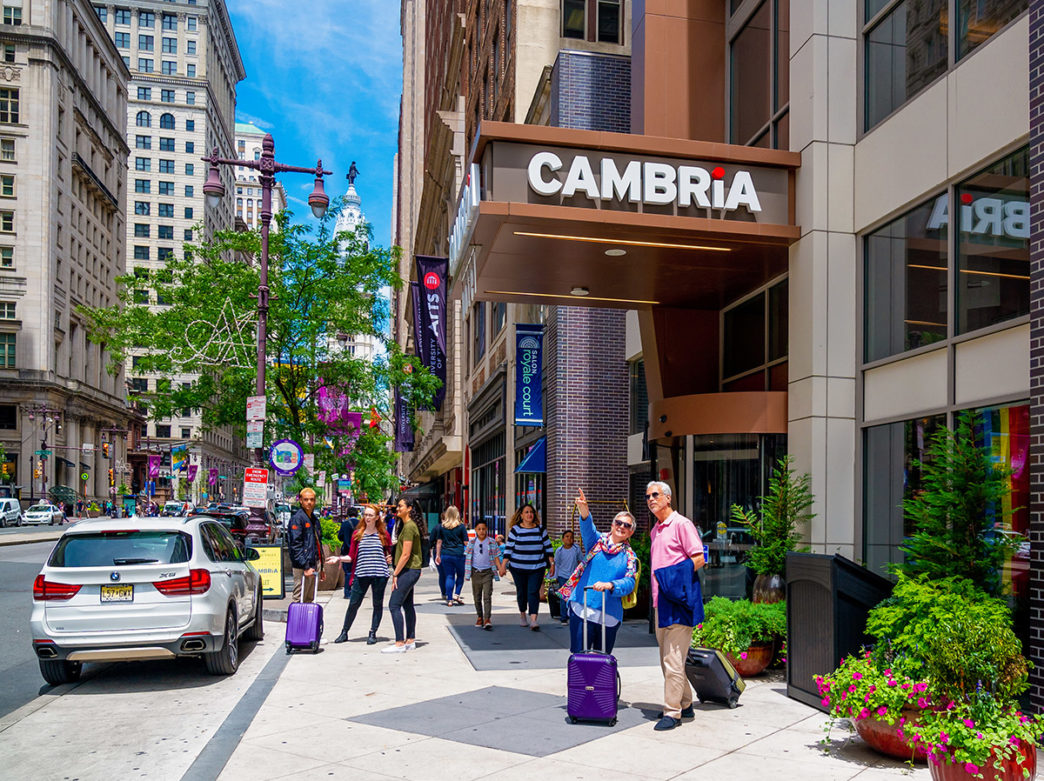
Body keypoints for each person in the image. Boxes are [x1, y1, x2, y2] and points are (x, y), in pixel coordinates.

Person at [646, 480, 704, 731]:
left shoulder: (681, 524)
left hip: (679, 602)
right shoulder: (656, 529)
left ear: (668, 498)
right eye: (648, 496)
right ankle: (685, 703)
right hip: (662, 602)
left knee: (672, 660)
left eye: (655, 495)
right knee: (669, 659)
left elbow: (699, 557)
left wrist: (673, 578)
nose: (651, 499)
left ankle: (673, 713)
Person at [558, 489, 637, 655]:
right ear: (612, 525)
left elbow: (630, 582)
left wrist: (611, 585)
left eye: (627, 525)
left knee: (602, 661)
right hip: (582, 607)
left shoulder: (629, 556)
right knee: (579, 656)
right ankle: (581, 682)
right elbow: (587, 528)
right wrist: (584, 509)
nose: (621, 527)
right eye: (618, 523)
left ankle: (598, 682)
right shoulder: (596, 542)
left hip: (609, 615)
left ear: (631, 532)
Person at [328, 505, 392, 645]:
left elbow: (389, 553)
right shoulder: (358, 534)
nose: (367, 518)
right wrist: (338, 558)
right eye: (366, 515)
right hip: (361, 573)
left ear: (376, 517)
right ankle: (344, 632)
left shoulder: (383, 535)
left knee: (377, 604)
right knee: (354, 604)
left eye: (371, 515)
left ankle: (373, 632)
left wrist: (390, 558)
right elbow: (351, 556)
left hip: (379, 574)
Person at [500, 503, 554, 631]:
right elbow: (508, 549)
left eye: (531, 512)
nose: (529, 514)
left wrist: (552, 564)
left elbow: (548, 548)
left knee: (533, 592)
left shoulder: (541, 530)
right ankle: (523, 614)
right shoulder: (515, 530)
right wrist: (503, 566)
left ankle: (534, 620)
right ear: (521, 515)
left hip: (537, 567)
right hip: (518, 567)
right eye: (526, 512)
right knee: (522, 592)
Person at [382, 497, 426, 653]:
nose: (397, 509)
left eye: (400, 506)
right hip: (411, 569)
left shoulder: (409, 527)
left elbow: (406, 554)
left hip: (408, 570)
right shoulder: (407, 526)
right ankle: (410, 640)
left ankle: (400, 642)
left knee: (394, 605)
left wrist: (395, 573)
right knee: (407, 605)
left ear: (409, 508)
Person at [287, 487, 324, 603]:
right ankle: (296, 621)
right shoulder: (297, 519)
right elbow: (295, 545)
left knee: (309, 598)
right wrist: (305, 566)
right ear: (301, 501)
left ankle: (307, 621)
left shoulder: (313, 519)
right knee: (299, 598)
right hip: (302, 565)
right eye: (306, 499)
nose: (309, 502)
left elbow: (318, 542)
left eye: (312, 500)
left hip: (313, 562)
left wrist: (321, 567)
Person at [463, 520, 501, 629]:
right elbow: (468, 558)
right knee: (477, 596)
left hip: (488, 572)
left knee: (487, 596)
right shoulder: (472, 543)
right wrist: (467, 573)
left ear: (487, 530)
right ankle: (479, 616)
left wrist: (501, 568)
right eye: (479, 529)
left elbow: (496, 556)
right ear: (475, 530)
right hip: (476, 572)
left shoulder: (491, 542)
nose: (481, 531)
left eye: (483, 529)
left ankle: (487, 618)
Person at [435, 506, 468, 606]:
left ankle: (449, 599)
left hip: (446, 554)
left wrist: (437, 555)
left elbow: (439, 542)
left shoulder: (442, 527)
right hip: (459, 553)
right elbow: (466, 542)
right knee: (460, 575)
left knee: (449, 576)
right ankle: (457, 594)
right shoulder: (461, 527)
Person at [552, 530, 582, 624]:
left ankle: (573, 615)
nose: (570, 539)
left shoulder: (576, 549)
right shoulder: (559, 551)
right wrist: (555, 576)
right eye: (567, 537)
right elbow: (557, 564)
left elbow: (581, 561)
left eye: (572, 537)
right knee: (563, 597)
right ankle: (563, 617)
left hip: (573, 576)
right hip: (562, 576)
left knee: (573, 597)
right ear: (563, 539)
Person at [338, 507, 360, 598]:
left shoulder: (345, 524)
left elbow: (340, 536)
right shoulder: (360, 523)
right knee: (357, 572)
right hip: (358, 551)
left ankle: (347, 592)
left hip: (347, 550)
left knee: (348, 572)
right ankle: (356, 591)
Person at [429, 517, 447, 601]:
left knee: (442, 574)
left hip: (438, 551)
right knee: (449, 573)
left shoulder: (437, 527)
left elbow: (431, 541)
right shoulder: (454, 527)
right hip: (449, 551)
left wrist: (430, 554)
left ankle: (444, 592)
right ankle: (448, 591)